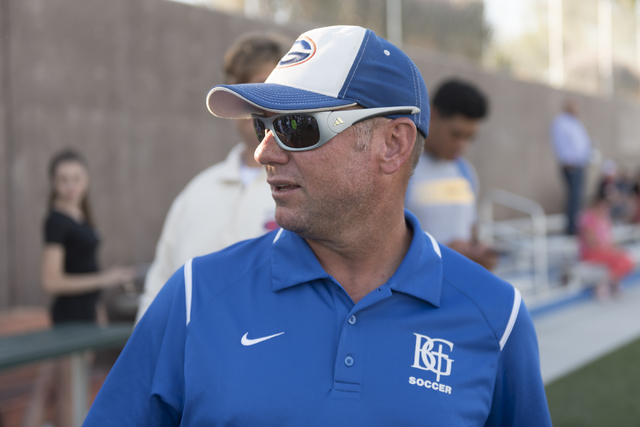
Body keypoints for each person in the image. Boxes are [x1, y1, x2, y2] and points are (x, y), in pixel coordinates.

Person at [85, 25, 552, 426]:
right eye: (262, 126)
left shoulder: (498, 318)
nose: (264, 152)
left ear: (392, 144)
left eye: (296, 126)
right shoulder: (194, 296)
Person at [135, 33, 289, 323]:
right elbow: (157, 293)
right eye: (240, 88)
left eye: (262, 85)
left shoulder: (307, 192)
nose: (251, 100)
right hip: (189, 366)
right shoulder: (197, 192)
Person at [33, 149, 134, 427]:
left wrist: (97, 307)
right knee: (69, 394)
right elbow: (50, 281)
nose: (71, 185)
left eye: (76, 178)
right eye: (63, 179)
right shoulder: (55, 221)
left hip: (87, 314)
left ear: (86, 180)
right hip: (69, 318)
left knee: (47, 391)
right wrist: (105, 279)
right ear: (53, 183)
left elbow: (83, 265)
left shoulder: (79, 215)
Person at [405, 79, 496, 270]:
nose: (463, 145)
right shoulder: (401, 168)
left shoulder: (465, 172)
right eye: (456, 134)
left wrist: (479, 253)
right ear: (433, 115)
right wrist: (443, 252)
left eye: (469, 137)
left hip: (456, 289)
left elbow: (471, 230)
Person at [578, 183, 633, 300]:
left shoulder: (605, 216)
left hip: (603, 250)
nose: (607, 207)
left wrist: (615, 248)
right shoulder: (588, 217)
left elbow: (609, 239)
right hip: (590, 252)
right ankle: (604, 283)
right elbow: (591, 243)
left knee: (626, 258)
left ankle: (611, 282)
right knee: (624, 260)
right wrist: (610, 249)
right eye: (605, 204)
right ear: (598, 202)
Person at [550, 99, 592, 235]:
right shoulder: (561, 122)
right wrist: (568, 161)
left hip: (580, 164)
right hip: (571, 165)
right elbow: (561, 144)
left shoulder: (575, 123)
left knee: (578, 197)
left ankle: (575, 226)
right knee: (574, 196)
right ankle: (571, 229)